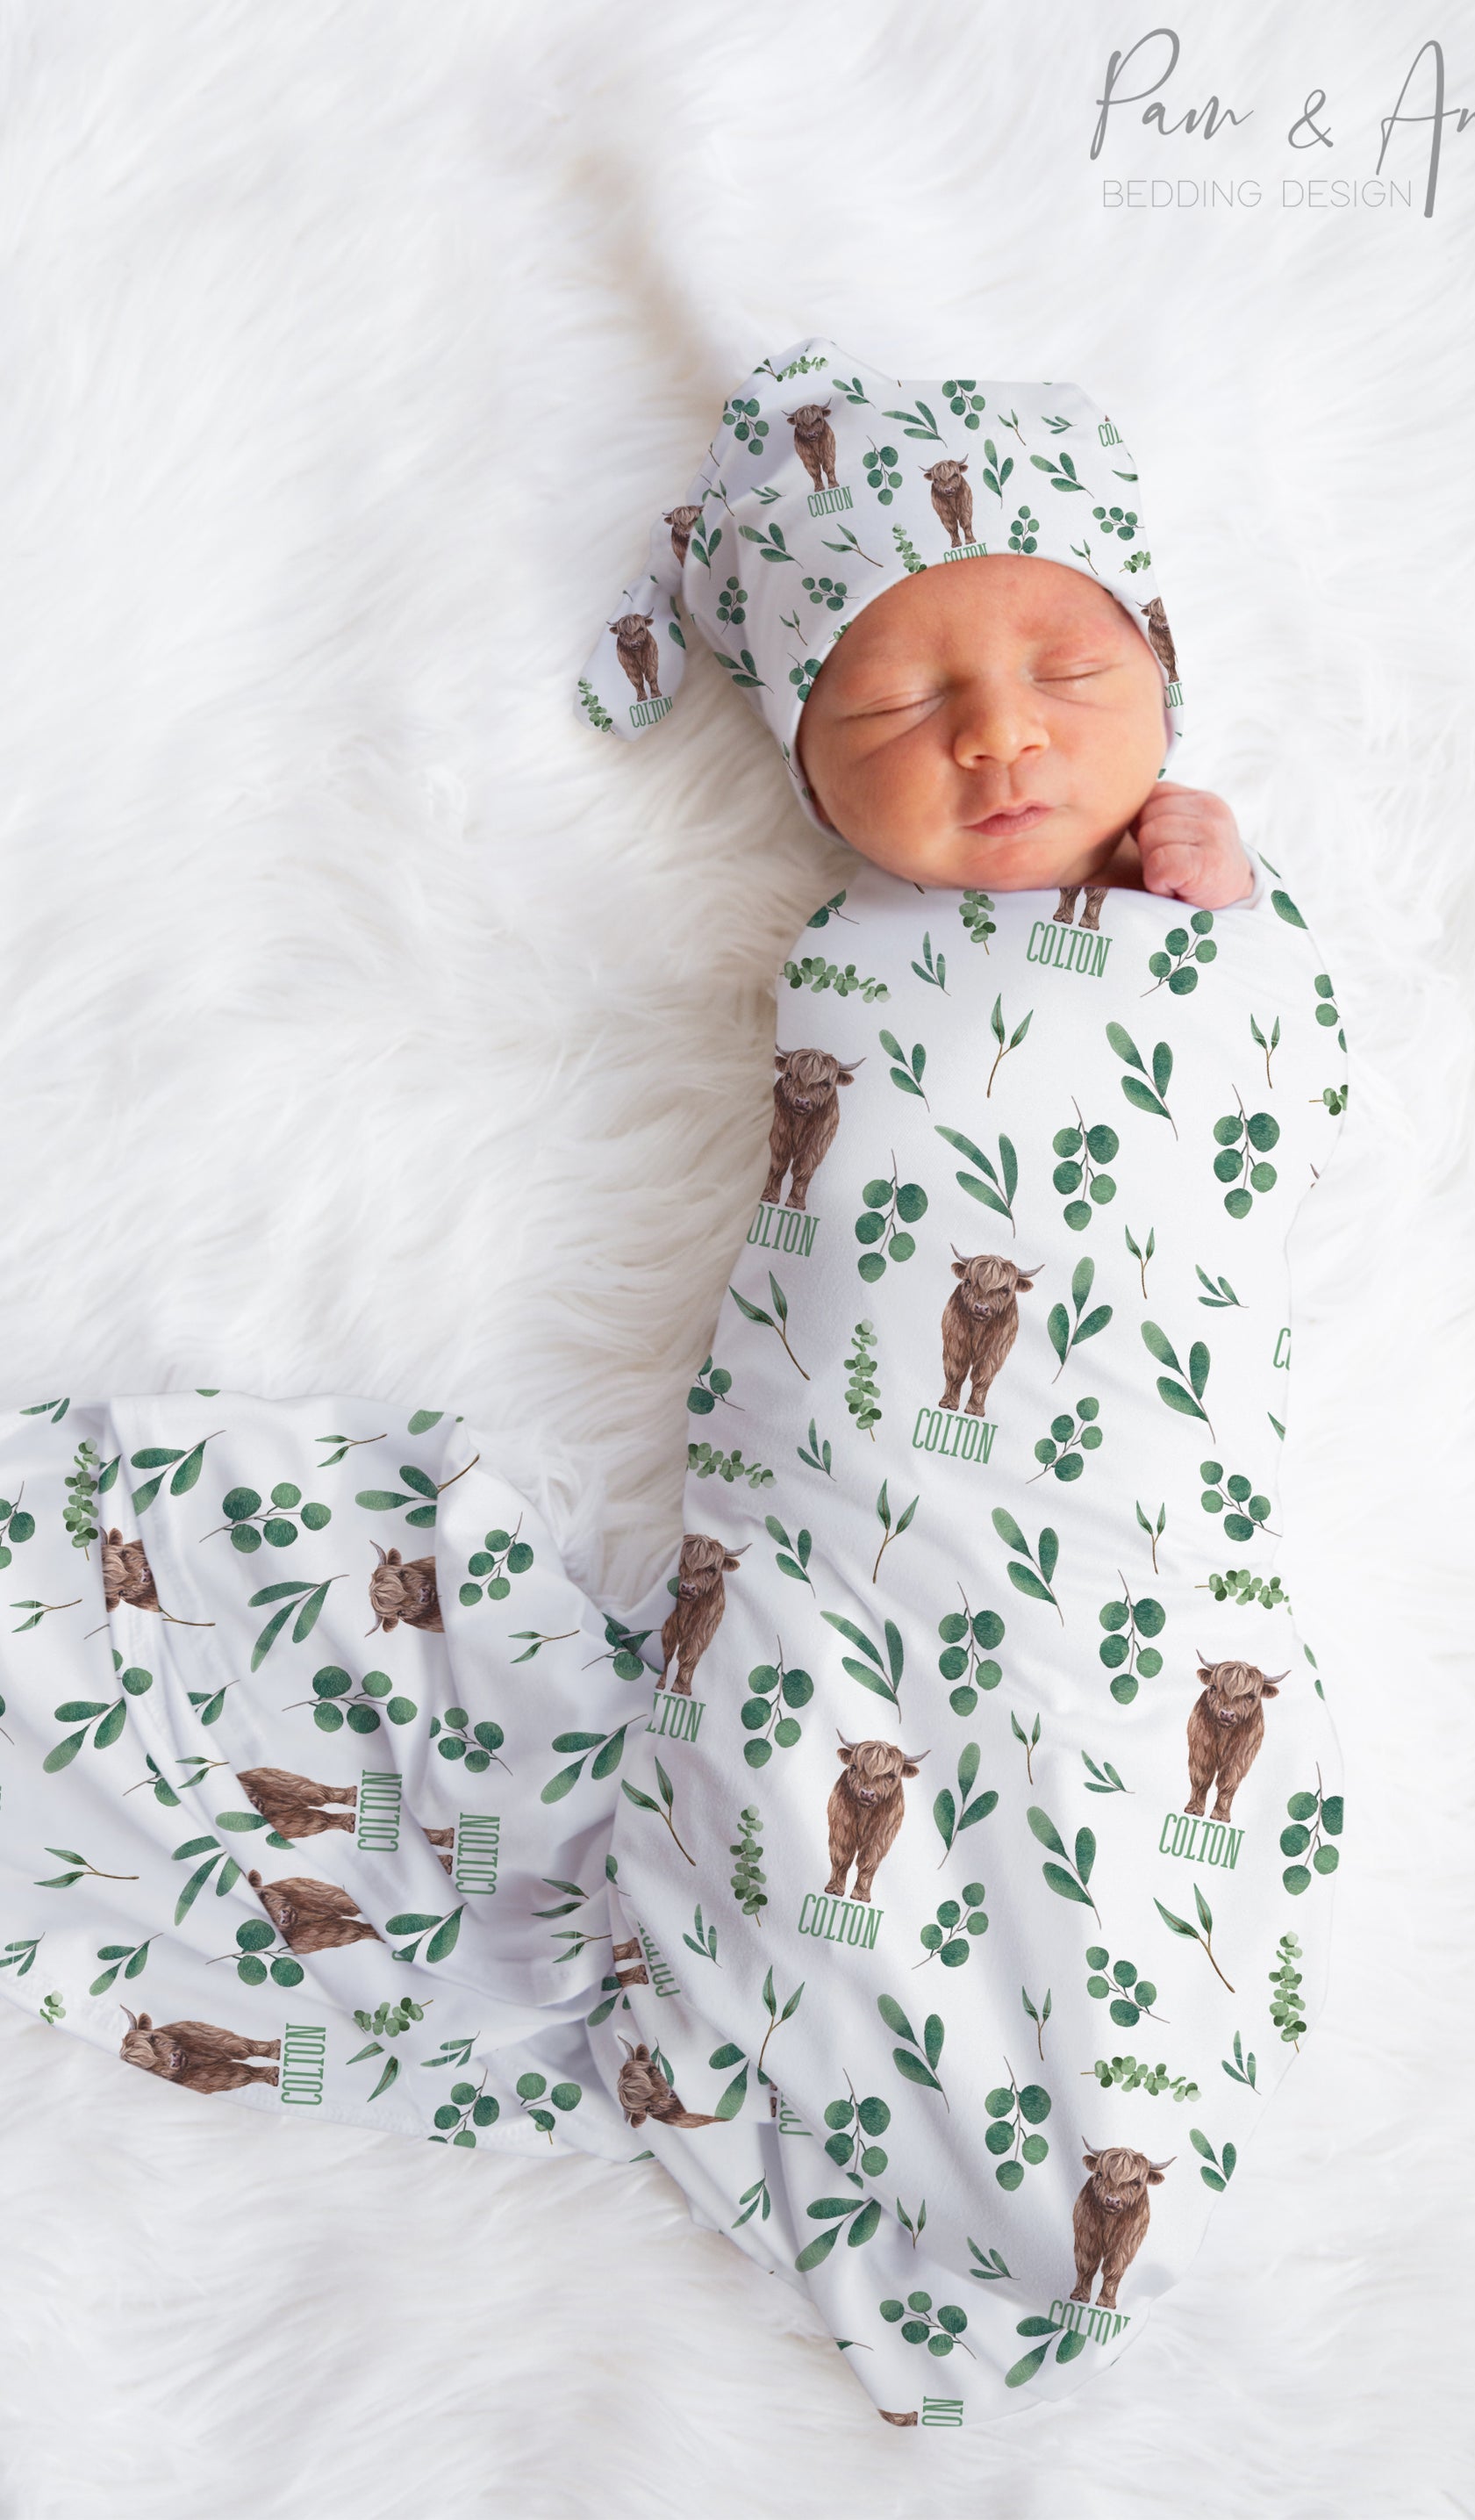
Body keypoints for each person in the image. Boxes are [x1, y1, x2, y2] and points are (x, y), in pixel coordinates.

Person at [0, 336, 1349, 2432]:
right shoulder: (857, 965)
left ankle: (1039, 2109)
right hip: (846, 1527)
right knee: (800, 1746)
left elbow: (1279, 1107)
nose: (997, 730)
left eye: (1069, 671)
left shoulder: (1225, 932)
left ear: (1166, 682)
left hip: (1138, 1550)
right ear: (809, 774)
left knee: (1102, 1792)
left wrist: (1233, 915)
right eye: (893, 706)